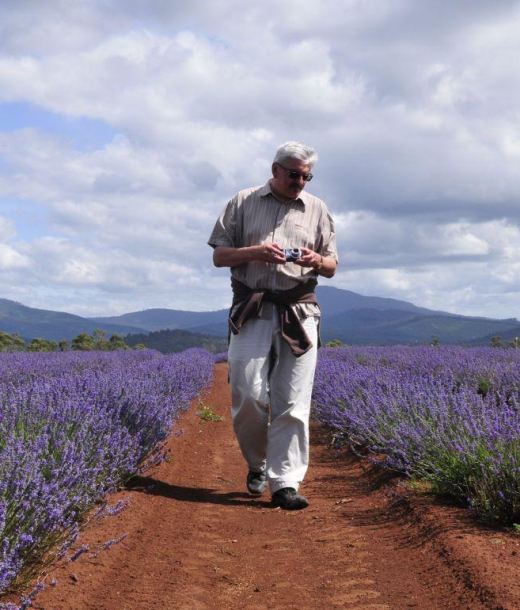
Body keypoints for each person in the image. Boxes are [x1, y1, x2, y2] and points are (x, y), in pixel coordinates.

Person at [207, 141, 338, 510]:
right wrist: (256, 252)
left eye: (307, 176)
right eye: (294, 175)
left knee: (293, 401)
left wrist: (316, 260)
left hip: (299, 310)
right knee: (248, 394)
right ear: (275, 170)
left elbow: (332, 265)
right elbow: (219, 256)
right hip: (253, 308)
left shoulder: (318, 209)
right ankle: (258, 464)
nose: (300, 182)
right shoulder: (243, 201)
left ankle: (286, 482)